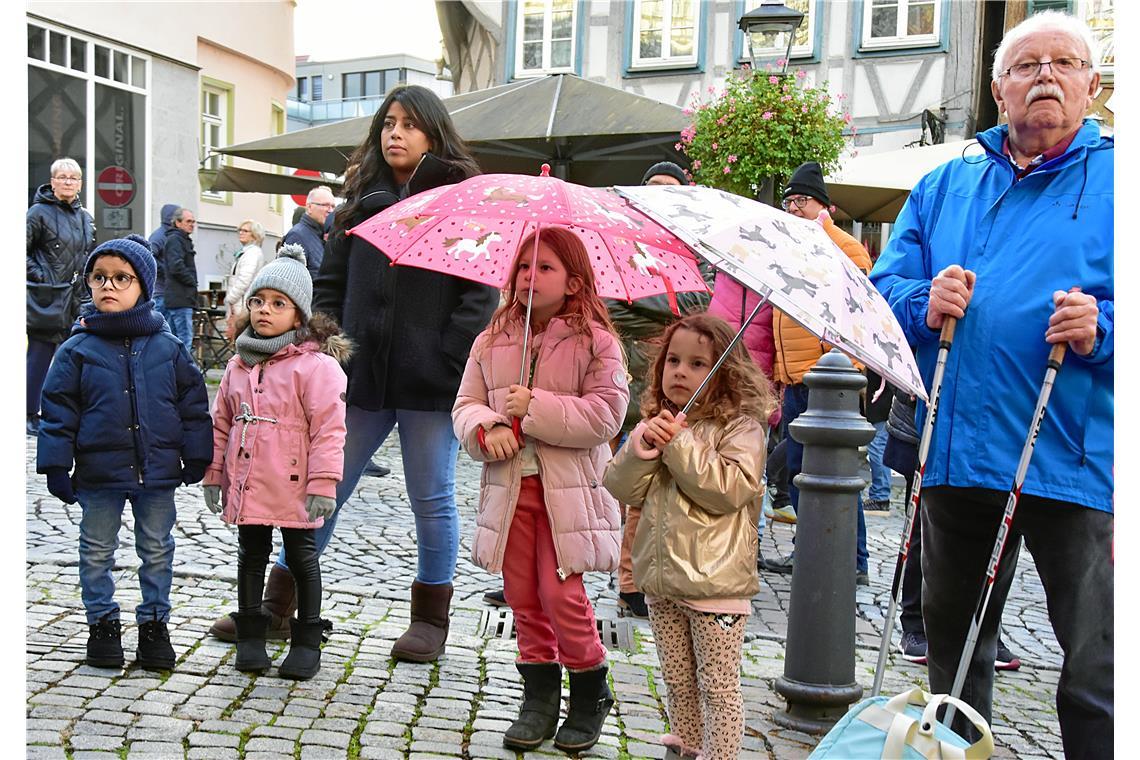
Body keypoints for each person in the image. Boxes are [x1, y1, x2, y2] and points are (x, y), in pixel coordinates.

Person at [870, 11, 1112, 755]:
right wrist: (922, 301)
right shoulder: (947, 184)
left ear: (1091, 86)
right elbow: (883, 294)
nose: (1045, 76)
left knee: (1099, 664)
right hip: (960, 455)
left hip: (1077, 458)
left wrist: (1106, 326)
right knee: (955, 658)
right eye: (1026, 65)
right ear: (998, 87)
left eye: (1063, 64)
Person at [207, 85, 497, 656]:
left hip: (428, 381)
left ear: (433, 133)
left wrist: (446, 355)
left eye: (410, 124)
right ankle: (280, 606)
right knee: (326, 487)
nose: (396, 133)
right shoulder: (361, 199)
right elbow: (331, 286)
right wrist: (329, 344)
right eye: (389, 123)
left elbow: (478, 294)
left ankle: (431, 618)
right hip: (360, 376)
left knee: (431, 495)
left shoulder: (461, 202)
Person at [453, 227, 627, 754]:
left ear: (573, 281)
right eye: (523, 268)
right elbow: (466, 403)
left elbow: (606, 415)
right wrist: (489, 429)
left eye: (545, 268)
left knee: (560, 592)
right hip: (511, 492)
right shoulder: (492, 338)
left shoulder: (597, 342)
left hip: (568, 496)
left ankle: (590, 688)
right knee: (523, 596)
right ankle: (538, 697)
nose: (530, 277)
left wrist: (539, 408)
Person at [35, 235, 212, 671]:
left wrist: (197, 453)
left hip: (156, 474)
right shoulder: (76, 349)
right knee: (96, 551)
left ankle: (155, 625)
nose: (108, 286)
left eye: (121, 278)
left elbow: (193, 405)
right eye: (100, 278)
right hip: (99, 474)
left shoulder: (168, 347)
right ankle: (102, 625)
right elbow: (57, 410)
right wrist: (56, 462)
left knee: (157, 549)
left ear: (144, 287)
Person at [605, 313, 774, 760]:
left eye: (698, 363)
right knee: (678, 682)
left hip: (714, 586)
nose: (681, 371)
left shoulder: (742, 429)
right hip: (663, 582)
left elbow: (727, 490)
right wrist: (642, 448)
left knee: (718, 687)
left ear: (726, 372)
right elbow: (622, 489)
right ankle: (685, 748)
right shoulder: (662, 423)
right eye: (674, 360)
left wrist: (679, 445)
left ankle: (720, 755)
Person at [202, 245, 349, 680]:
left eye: (278, 304)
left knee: (302, 556)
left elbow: (329, 428)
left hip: (294, 480)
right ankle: (250, 634)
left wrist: (323, 481)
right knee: (251, 552)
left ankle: (306, 640)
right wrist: (214, 474)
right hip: (248, 479)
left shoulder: (316, 368)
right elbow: (221, 421)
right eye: (258, 301)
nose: (265, 311)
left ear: (299, 315)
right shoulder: (238, 364)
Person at [761, 161, 873, 585]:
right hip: (795, 377)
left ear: (822, 206)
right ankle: (808, 550)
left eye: (800, 201)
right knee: (800, 470)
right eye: (788, 201)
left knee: (836, 471)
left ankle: (855, 559)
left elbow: (855, 314)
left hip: (830, 381)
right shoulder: (791, 250)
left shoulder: (844, 247)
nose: (792, 209)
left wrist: (835, 366)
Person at [883, 388, 1022, 672]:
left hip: (991, 422)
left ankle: (984, 627)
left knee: (999, 532)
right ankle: (914, 626)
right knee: (924, 526)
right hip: (929, 416)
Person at [27, 157, 96, 436]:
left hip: (77, 297)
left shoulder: (84, 217)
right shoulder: (38, 213)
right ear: (52, 181)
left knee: (73, 358)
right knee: (40, 356)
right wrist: (42, 275)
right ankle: (29, 413)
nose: (68, 182)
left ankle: (63, 413)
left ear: (80, 183)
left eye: (74, 178)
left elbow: (89, 255)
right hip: (47, 298)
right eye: (63, 177)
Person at [161, 207, 200, 356]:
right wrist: (191, 281)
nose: (192, 225)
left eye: (193, 222)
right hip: (180, 298)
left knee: (173, 339)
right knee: (184, 340)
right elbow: (176, 266)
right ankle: (184, 375)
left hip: (180, 297)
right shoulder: (175, 239)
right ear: (177, 222)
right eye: (188, 221)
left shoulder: (180, 239)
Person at [223, 219, 267, 341]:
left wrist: (230, 299)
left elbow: (244, 280)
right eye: (240, 230)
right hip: (239, 303)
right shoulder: (247, 252)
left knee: (239, 338)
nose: (241, 233)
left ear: (254, 235)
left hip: (242, 304)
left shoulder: (252, 253)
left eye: (245, 231)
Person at [283, 186, 335, 281]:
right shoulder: (297, 236)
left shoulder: (320, 236)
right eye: (325, 205)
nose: (330, 210)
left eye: (332, 206)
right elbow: (289, 280)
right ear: (310, 207)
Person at [146, 203, 180, 321]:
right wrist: (166, 270)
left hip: (168, 292)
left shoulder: (170, 236)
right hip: (160, 292)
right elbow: (150, 256)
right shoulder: (159, 237)